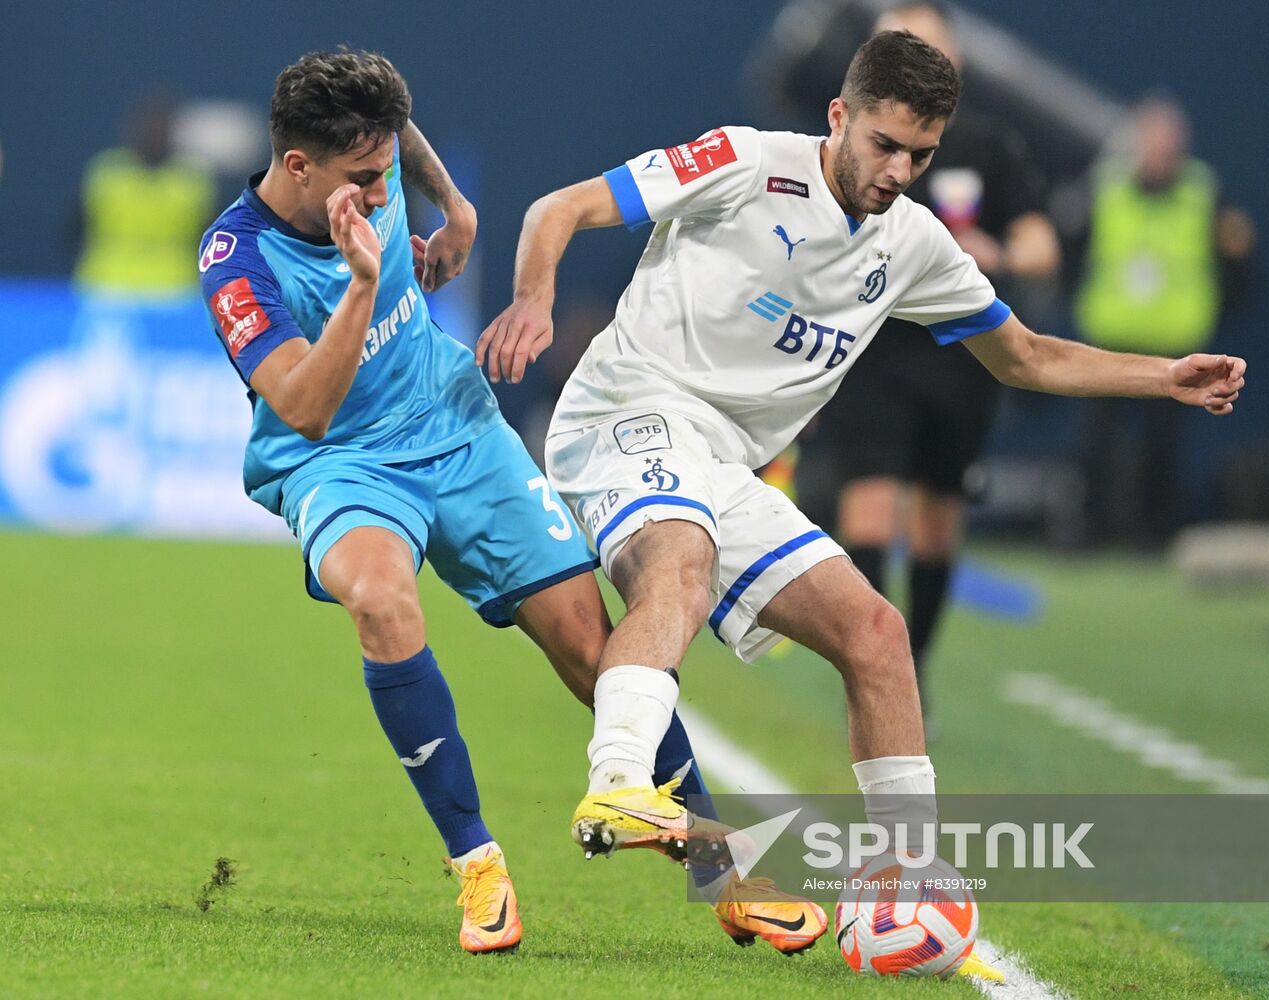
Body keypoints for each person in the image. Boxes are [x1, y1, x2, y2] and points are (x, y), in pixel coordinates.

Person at [478, 30, 1244, 978]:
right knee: (676, 562)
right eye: (882, 144)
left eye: (919, 155)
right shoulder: (742, 161)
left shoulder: (916, 243)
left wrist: (1162, 376)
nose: (897, 170)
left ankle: (906, 873)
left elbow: (1028, 355)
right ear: (839, 116)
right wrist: (532, 300)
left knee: (876, 636)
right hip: (623, 416)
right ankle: (619, 786)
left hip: (726, 463)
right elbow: (563, 207)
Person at [198, 49, 801, 958]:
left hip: (454, 421)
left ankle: (723, 875)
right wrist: (365, 281)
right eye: (362, 181)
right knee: (377, 597)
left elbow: (397, 132)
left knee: (593, 648)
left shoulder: (374, 156)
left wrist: (457, 206)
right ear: (296, 167)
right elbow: (308, 407)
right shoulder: (238, 262)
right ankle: (476, 864)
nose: (379, 185)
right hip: (341, 461)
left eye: (385, 171)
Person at [796, 2, 1061, 721]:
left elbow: (1041, 247)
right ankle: (871, 675)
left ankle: (914, 674)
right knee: (872, 512)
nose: (901, 166)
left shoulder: (984, 147)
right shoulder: (844, 147)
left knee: (938, 522)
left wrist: (997, 254)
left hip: (959, 354)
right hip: (873, 348)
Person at [1075, 96, 1253, 547]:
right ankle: (1094, 529)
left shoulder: (1203, 193)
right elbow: (1076, 250)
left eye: (1167, 143)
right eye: (1151, 141)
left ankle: (1155, 534)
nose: (1158, 152)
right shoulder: (1106, 187)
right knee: (1096, 445)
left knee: (1164, 448)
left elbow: (1234, 262)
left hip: (1176, 344)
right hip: (1110, 339)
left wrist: (1216, 313)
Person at [78, 97, 216, 297]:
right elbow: (78, 227)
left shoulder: (192, 179)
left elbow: (209, 237)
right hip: (106, 285)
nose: (154, 134)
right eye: (148, 127)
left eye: (160, 128)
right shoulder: (106, 172)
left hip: (175, 288)